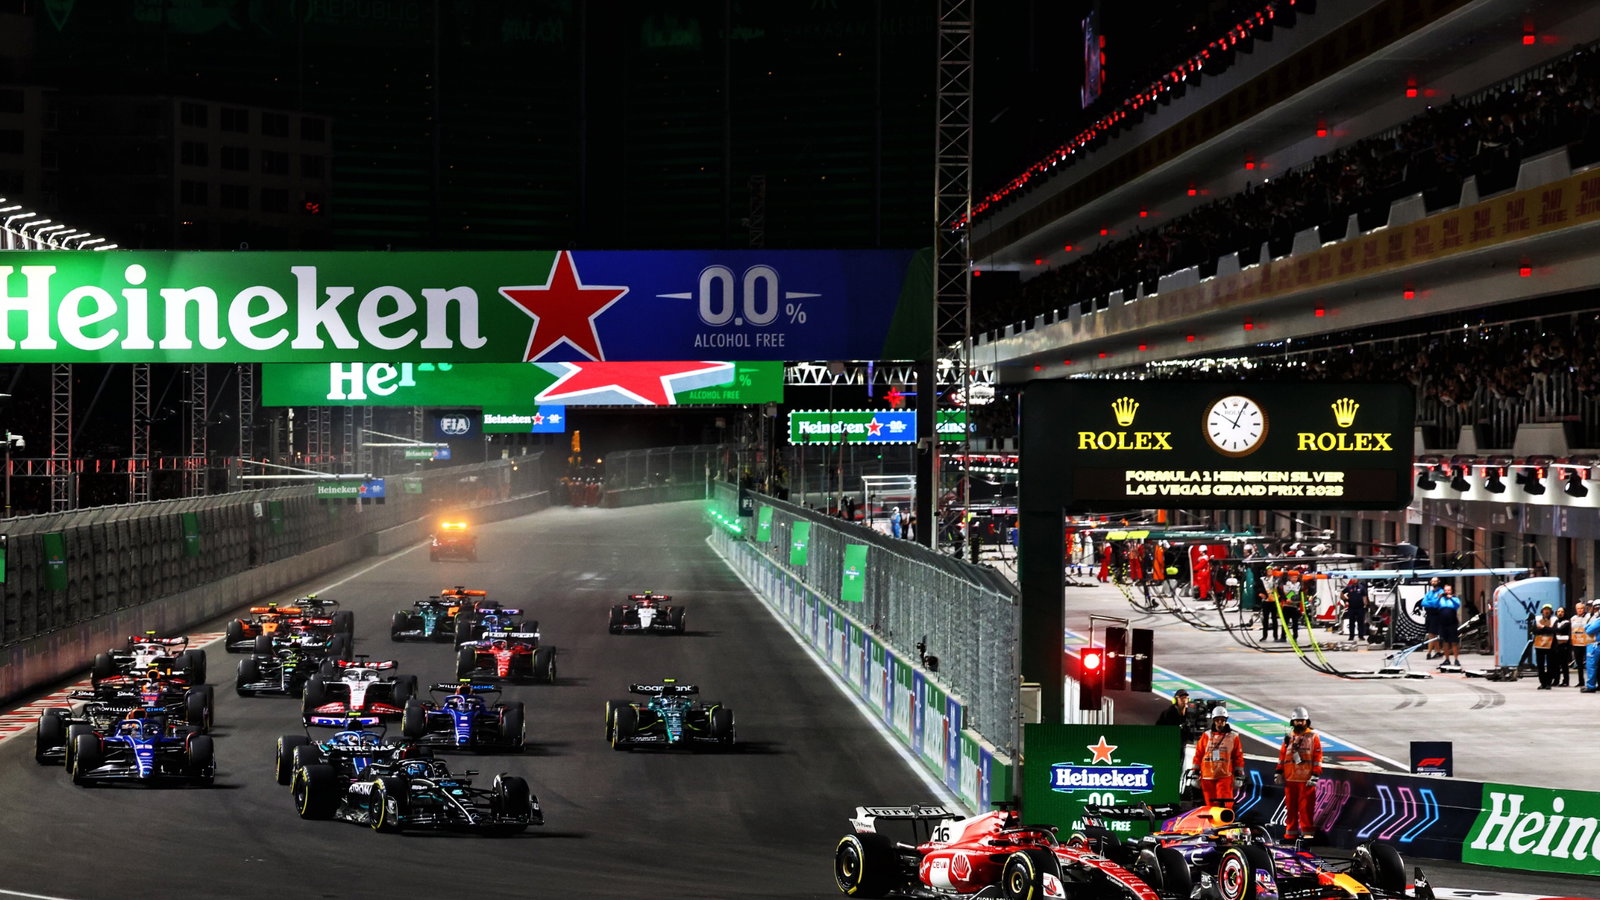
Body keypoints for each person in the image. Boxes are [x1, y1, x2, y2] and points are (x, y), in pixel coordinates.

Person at [1275, 706, 1323, 840]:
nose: (1300, 723)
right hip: (1290, 780)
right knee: (1290, 810)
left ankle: (1307, 837)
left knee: (1306, 811)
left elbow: (1318, 758)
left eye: (1302, 720)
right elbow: (1282, 756)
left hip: (1306, 781)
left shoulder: (1313, 737)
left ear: (1306, 721)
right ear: (1293, 722)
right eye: (1297, 721)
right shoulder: (1289, 737)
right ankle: (1290, 836)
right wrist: (1278, 772)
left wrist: (1315, 775)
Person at [1193, 706, 1244, 810]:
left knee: (1225, 806)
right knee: (1210, 807)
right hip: (1207, 776)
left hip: (1224, 776)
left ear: (1226, 720)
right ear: (1213, 720)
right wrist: (1195, 772)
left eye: (1222, 720)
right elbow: (1198, 754)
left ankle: (1226, 820)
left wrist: (1238, 774)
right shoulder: (1206, 735)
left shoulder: (1233, 737)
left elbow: (1238, 757)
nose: (1220, 723)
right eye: (1217, 720)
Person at [1436, 584, 1462, 670]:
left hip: (1452, 622)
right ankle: (1447, 659)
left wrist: (1451, 598)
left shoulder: (1455, 599)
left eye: (1448, 590)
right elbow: (1434, 605)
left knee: (1454, 642)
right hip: (1442, 622)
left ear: (1451, 591)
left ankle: (1456, 659)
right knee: (1445, 641)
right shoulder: (1441, 599)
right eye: (1445, 590)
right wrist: (1438, 598)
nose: (1447, 592)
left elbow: (1457, 605)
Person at [1532, 604, 1557, 689]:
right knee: (1540, 665)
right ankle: (1542, 683)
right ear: (1542, 611)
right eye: (1545, 610)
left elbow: (1554, 630)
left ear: (1551, 611)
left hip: (1551, 646)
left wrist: (1542, 627)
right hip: (1539, 646)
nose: (1546, 611)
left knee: (1550, 665)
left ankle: (1548, 683)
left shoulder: (1554, 620)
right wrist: (1547, 628)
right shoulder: (1537, 619)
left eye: (1548, 610)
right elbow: (1534, 630)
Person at [1419, 577, 1444, 659]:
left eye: (1435, 581)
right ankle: (1438, 652)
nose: (1433, 582)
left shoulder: (1441, 592)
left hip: (1437, 615)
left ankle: (1429, 653)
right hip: (1429, 615)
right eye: (1432, 581)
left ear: (1438, 582)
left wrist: (1430, 602)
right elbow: (1423, 603)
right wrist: (1434, 601)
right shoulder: (1429, 593)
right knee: (1433, 634)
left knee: (1431, 634)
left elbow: (1437, 604)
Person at [1572, 601, 1594, 689]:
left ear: (1584, 609)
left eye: (1581, 608)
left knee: (1589, 664)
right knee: (1579, 664)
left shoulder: (1589, 617)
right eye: (1578, 608)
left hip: (1587, 643)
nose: (1580, 610)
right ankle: (1580, 681)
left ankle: (1590, 682)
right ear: (1576, 609)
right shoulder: (1573, 618)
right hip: (1576, 643)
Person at [1341, 577, 1370, 644]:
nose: (1354, 580)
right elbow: (1342, 593)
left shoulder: (1361, 587)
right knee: (1351, 622)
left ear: (1358, 579)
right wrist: (1345, 599)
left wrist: (1365, 604)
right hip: (1351, 607)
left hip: (1360, 607)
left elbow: (1364, 596)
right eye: (1353, 578)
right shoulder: (1349, 587)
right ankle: (1351, 636)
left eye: (1355, 578)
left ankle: (1361, 636)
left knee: (1360, 622)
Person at [1554, 606, 1573, 687]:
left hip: (1564, 646)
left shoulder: (1567, 622)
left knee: (1564, 665)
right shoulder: (1555, 622)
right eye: (1558, 611)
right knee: (1556, 664)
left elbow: (1559, 630)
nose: (1560, 613)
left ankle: (1566, 681)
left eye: (1562, 612)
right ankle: (1556, 680)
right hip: (1556, 646)